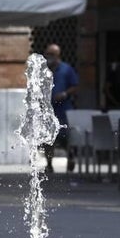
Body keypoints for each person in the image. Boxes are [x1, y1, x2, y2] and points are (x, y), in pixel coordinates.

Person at [43, 44, 79, 172]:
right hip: (48, 110)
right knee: (48, 138)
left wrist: (64, 94)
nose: (48, 57)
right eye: (47, 54)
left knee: (66, 137)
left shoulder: (66, 69)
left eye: (51, 54)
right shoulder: (44, 70)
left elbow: (75, 86)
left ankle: (71, 158)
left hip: (63, 109)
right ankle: (49, 163)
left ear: (58, 55)